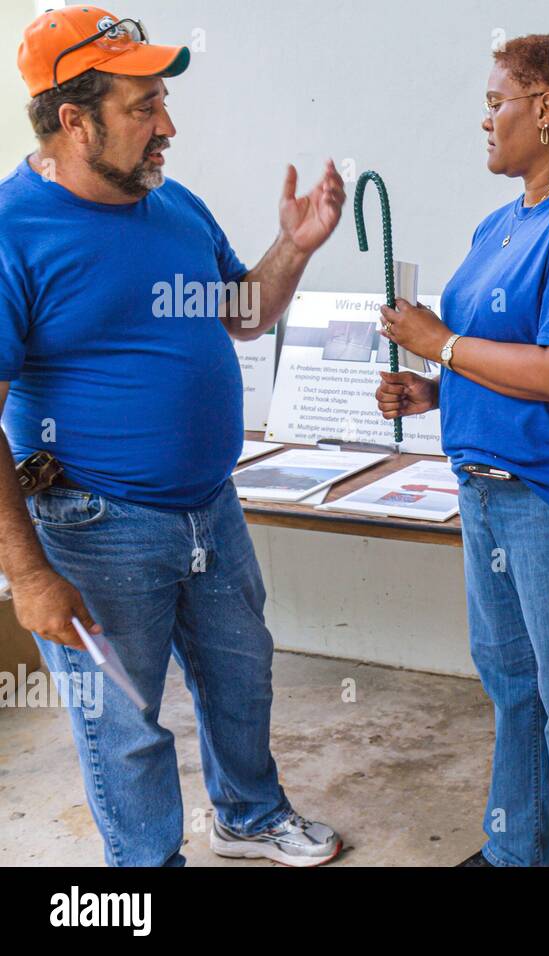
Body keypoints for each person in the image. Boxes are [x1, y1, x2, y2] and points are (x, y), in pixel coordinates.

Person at [0, 7, 345, 866]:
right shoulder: (13, 232)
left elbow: (244, 311)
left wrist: (294, 248)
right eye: (143, 106)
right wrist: (28, 572)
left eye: (164, 101)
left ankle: (249, 813)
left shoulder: (172, 202)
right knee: (124, 726)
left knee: (242, 679)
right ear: (72, 119)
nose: (168, 126)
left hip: (209, 507)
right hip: (93, 523)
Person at [374, 34, 549, 867]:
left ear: (545, 109)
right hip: (485, 486)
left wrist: (443, 346)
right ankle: (523, 848)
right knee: (512, 684)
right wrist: (433, 391)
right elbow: (496, 358)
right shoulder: (500, 222)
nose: (486, 122)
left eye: (497, 103)